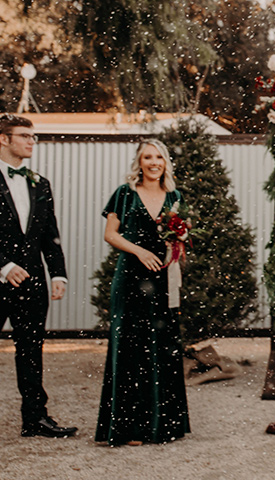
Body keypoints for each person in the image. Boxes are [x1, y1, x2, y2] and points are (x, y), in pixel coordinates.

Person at [0, 114, 77, 446]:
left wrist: (59, 273)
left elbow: (49, 235)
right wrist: (3, 266)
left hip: (33, 283)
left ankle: (35, 418)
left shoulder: (41, 183)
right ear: (3, 139)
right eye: (23, 136)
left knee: (31, 351)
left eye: (32, 137)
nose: (31, 142)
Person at [95, 139, 190, 446]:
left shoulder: (174, 196)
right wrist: (139, 251)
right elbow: (111, 234)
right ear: (140, 162)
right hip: (132, 278)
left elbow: (180, 239)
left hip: (162, 279)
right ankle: (128, 428)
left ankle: (163, 425)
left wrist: (179, 238)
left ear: (165, 162)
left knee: (162, 346)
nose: (153, 162)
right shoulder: (124, 193)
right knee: (130, 348)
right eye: (147, 157)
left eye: (158, 157)